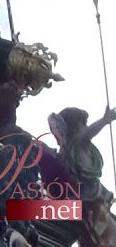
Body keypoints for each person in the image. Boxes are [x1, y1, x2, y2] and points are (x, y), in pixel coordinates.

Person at [50, 106, 116, 247]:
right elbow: (87, 134)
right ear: (75, 126)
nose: (86, 127)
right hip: (89, 201)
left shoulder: (74, 148)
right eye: (83, 124)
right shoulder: (76, 143)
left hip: (89, 201)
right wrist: (105, 120)